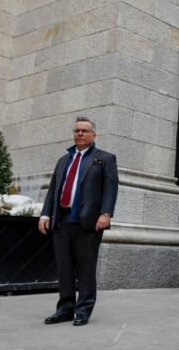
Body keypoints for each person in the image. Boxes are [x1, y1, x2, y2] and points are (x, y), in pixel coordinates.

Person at [38, 116, 119, 326]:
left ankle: (83, 309)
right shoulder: (63, 160)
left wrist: (106, 213)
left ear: (94, 135)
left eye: (84, 131)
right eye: (77, 131)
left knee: (86, 268)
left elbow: (110, 189)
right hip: (62, 221)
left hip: (88, 223)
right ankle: (65, 309)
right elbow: (54, 190)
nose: (80, 134)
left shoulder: (105, 159)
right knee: (64, 268)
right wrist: (45, 214)